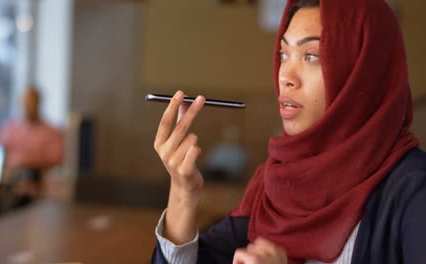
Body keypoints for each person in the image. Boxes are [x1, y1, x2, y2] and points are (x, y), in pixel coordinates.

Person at [151, 0, 426, 263]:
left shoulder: (414, 188)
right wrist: (183, 193)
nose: (286, 76)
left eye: (312, 56)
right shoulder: (276, 181)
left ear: (362, 72)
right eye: (284, 54)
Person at [0, 86, 64, 206]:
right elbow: (3, 156)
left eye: (32, 102)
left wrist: (30, 167)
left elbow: (55, 163)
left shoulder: (51, 132)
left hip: (37, 185)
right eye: (26, 102)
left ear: (39, 103)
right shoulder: (11, 128)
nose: (28, 106)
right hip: (11, 183)